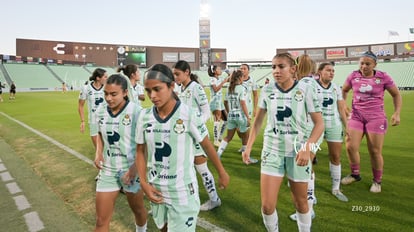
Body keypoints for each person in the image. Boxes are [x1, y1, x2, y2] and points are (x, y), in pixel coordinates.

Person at [135, 64, 229, 231]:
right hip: (156, 188)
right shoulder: (144, 116)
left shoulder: (188, 114)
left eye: (157, 89)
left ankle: (212, 198)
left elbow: (207, 145)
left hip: (182, 192)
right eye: (149, 91)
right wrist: (144, 183)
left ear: (171, 86)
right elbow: (140, 151)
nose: (152, 96)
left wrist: (221, 172)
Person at [243, 53, 324, 232]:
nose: (276, 71)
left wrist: (307, 148)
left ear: (293, 69)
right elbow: (257, 121)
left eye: (281, 66)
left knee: (301, 203)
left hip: (298, 152)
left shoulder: (305, 90)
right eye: (273, 67)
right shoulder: (267, 90)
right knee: (267, 206)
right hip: (272, 151)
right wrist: (248, 147)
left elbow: (319, 123)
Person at [340, 51, 402, 193]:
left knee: (374, 150)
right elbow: (344, 90)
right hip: (356, 116)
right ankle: (355, 174)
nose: (364, 66)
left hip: (376, 117)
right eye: (361, 63)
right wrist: (343, 104)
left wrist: (397, 113)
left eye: (368, 64)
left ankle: (377, 181)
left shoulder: (383, 77)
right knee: (350, 146)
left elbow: (396, 94)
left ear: (375, 64)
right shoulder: (353, 76)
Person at [92, 74, 147, 232]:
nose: (108, 98)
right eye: (106, 93)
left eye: (113, 94)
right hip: (108, 170)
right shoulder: (101, 110)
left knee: (137, 210)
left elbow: (142, 147)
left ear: (125, 93)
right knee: (101, 221)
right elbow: (101, 135)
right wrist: (98, 152)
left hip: (131, 170)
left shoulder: (137, 112)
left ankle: (141, 230)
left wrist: (134, 169)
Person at [172, 60, 223, 211]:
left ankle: (214, 199)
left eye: (177, 74)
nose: (175, 77)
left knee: (201, 168)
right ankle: (184, 197)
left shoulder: (196, 88)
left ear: (187, 72)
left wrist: (195, 126)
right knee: (183, 168)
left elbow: (206, 112)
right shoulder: (180, 88)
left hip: (196, 135)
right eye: (174, 74)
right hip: (184, 135)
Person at [314, 62, 349, 201]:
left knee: (335, 157)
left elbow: (341, 109)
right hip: (315, 126)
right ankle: (309, 192)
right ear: (320, 72)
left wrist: (347, 127)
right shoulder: (311, 86)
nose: (332, 73)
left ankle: (336, 188)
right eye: (328, 70)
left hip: (334, 125)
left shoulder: (336, 88)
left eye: (333, 71)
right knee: (310, 157)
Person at [216, 70, 256, 163]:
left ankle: (218, 154)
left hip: (231, 115)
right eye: (242, 77)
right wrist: (247, 117)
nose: (243, 79)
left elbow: (225, 102)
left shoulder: (229, 88)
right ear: (239, 78)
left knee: (228, 137)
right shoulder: (241, 88)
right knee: (246, 137)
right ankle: (247, 158)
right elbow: (243, 103)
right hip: (240, 116)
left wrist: (229, 112)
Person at [78, 68, 108, 149]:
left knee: (107, 145)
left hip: (106, 119)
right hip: (93, 120)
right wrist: (82, 121)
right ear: (98, 78)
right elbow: (81, 105)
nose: (107, 79)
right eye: (105, 77)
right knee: (98, 148)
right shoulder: (86, 88)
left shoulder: (107, 87)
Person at [238, 63, 258, 153]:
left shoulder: (252, 81)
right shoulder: (237, 80)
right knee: (238, 128)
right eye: (241, 68)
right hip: (238, 107)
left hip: (248, 107)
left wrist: (255, 109)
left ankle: (245, 146)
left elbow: (255, 95)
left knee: (246, 127)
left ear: (248, 70)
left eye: (244, 68)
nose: (242, 70)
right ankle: (245, 144)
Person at [208, 65, 229, 147]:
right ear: (214, 71)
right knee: (217, 120)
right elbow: (216, 89)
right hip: (215, 102)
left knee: (226, 119)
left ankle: (219, 136)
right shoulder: (212, 79)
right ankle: (216, 140)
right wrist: (223, 82)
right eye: (219, 69)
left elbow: (229, 79)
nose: (220, 70)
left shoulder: (219, 79)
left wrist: (229, 74)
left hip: (219, 102)